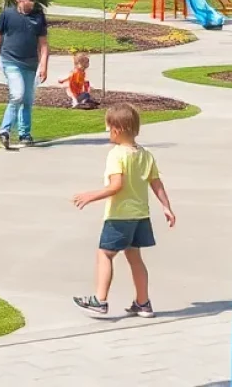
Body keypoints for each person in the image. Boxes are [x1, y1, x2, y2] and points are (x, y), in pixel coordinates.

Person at [72, 103, 176, 319]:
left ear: (117, 130)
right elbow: (156, 184)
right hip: (140, 216)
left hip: (120, 215)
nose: (107, 132)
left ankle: (100, 300)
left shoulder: (117, 155)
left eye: (108, 128)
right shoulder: (145, 155)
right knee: (134, 256)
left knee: (105, 254)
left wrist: (91, 196)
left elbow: (116, 186)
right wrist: (166, 206)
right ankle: (143, 303)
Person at [0, 0, 49, 149]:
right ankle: (4, 131)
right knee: (17, 94)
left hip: (31, 63)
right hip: (10, 60)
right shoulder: (8, 14)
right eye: (27, 0)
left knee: (28, 100)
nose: (30, 3)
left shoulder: (38, 16)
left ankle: (24, 134)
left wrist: (44, 65)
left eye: (32, 0)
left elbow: (43, 44)